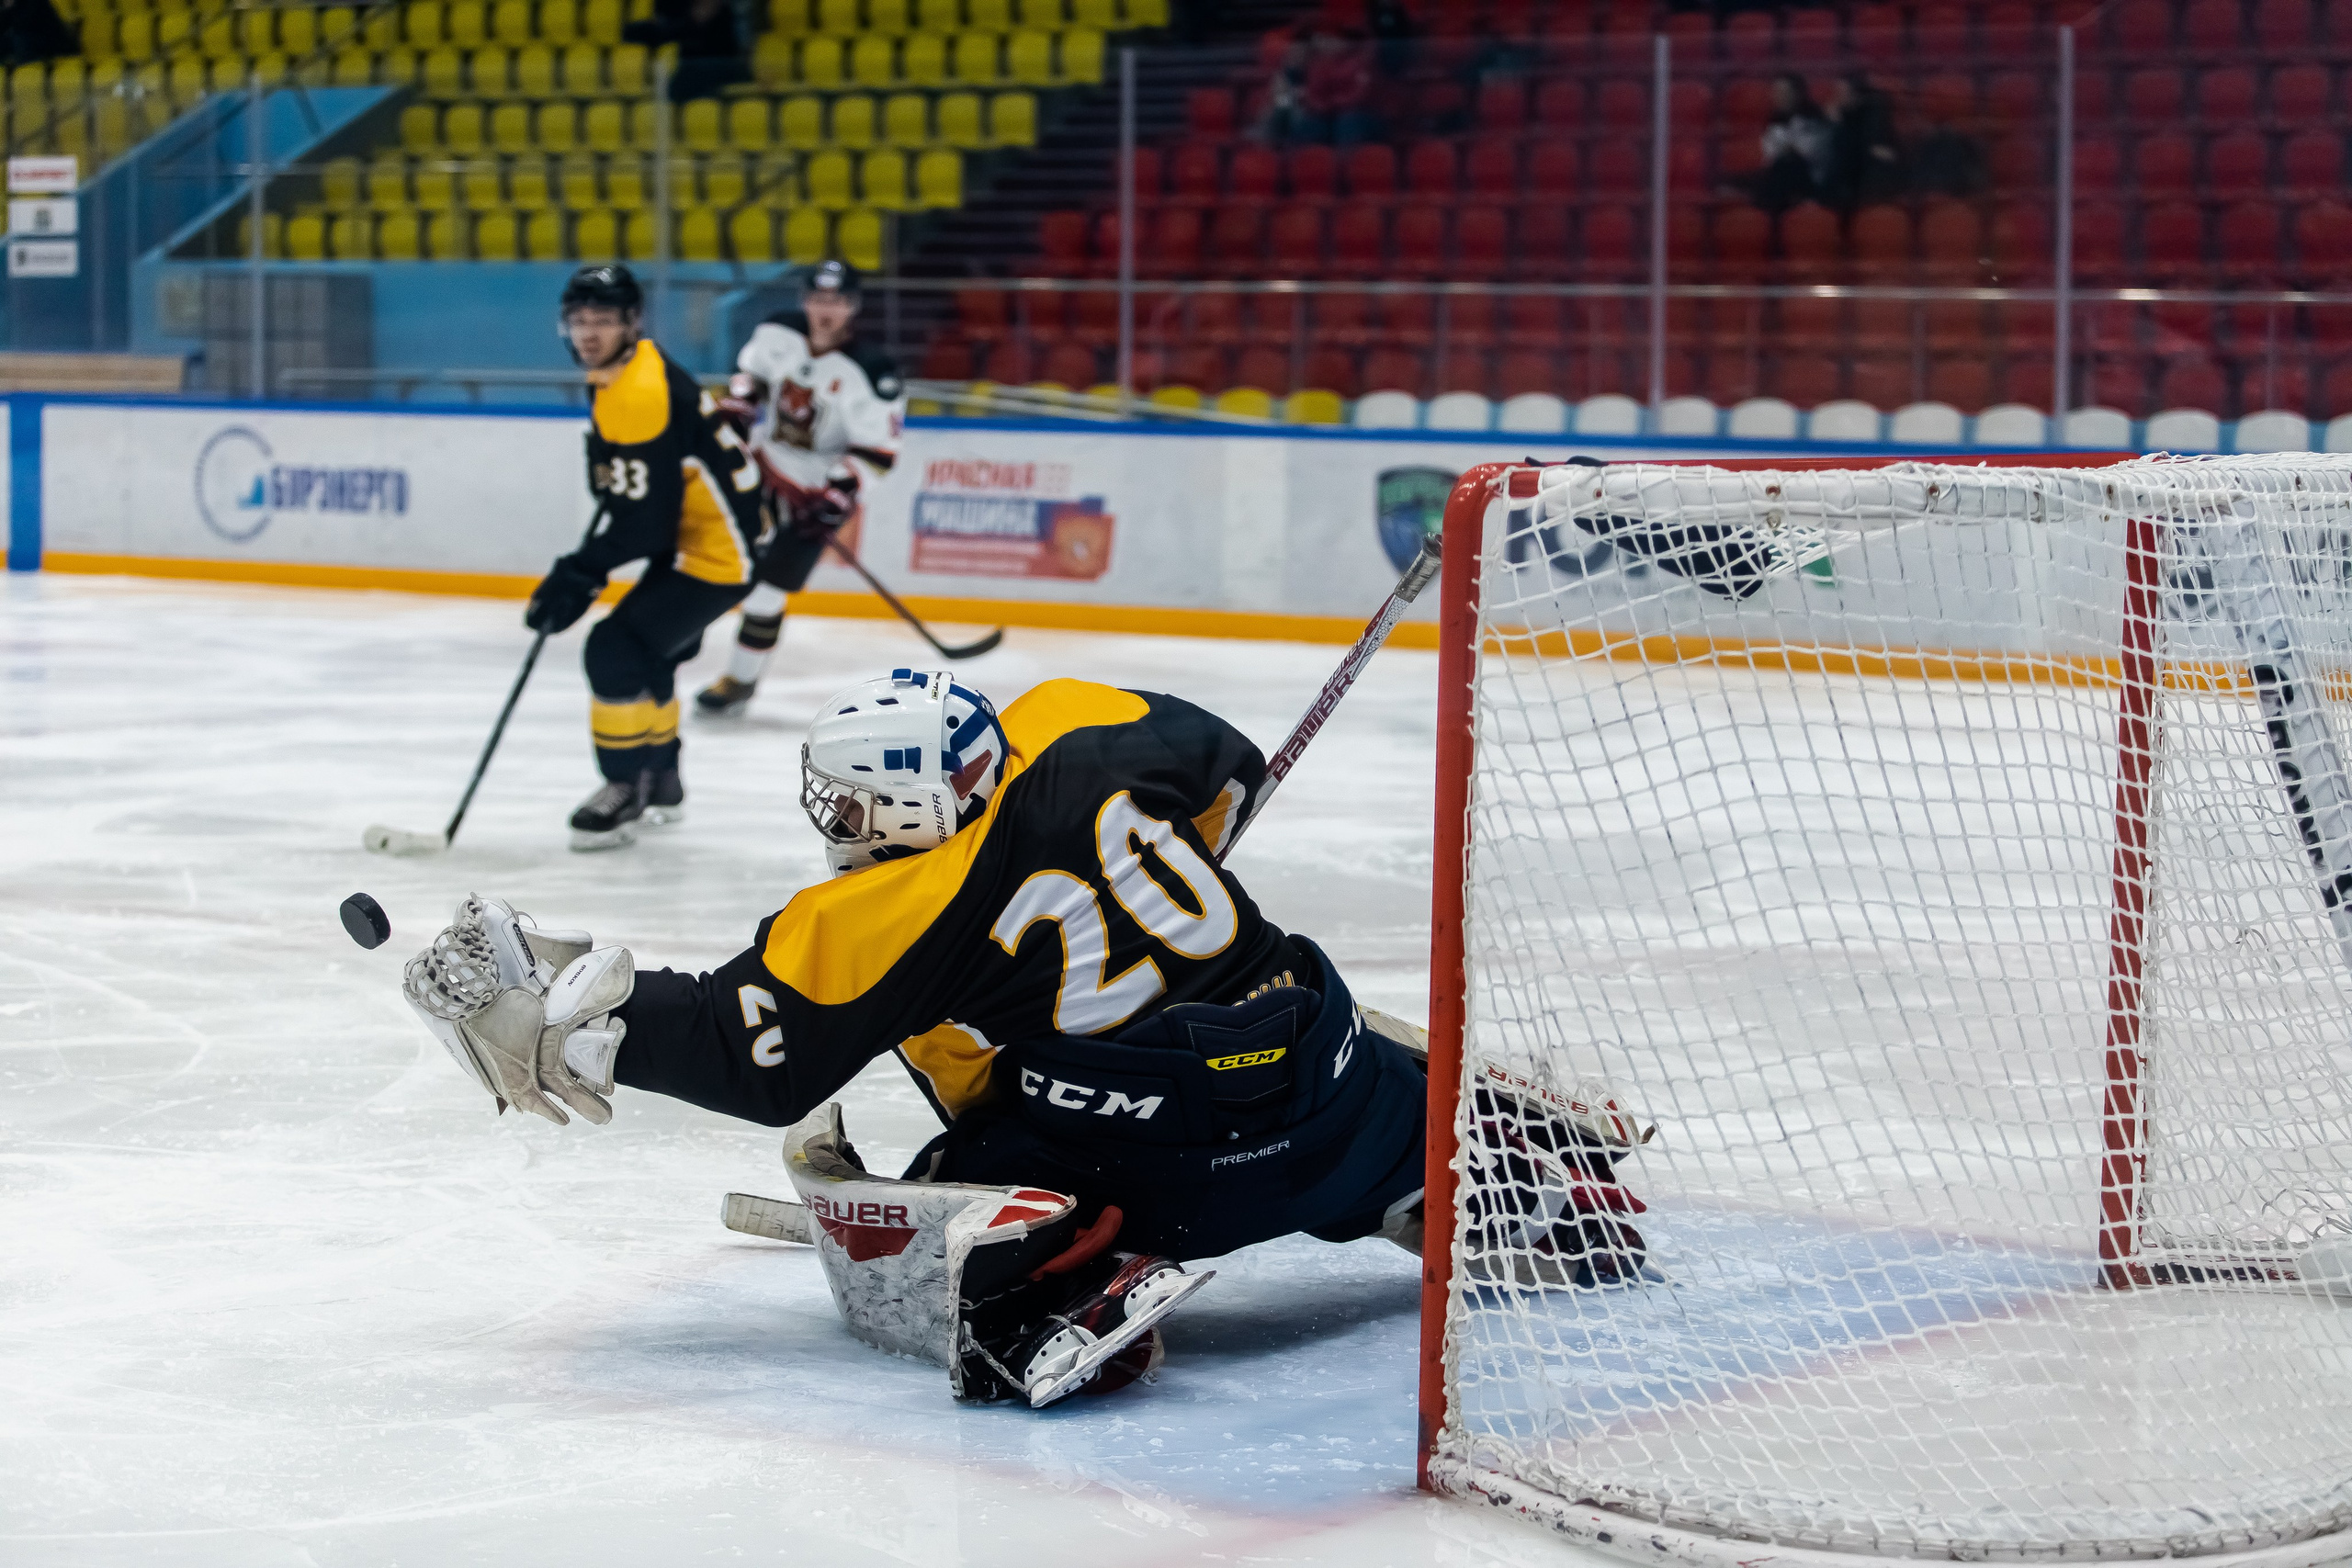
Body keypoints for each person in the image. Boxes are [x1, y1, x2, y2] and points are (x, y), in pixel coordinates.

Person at [397, 669, 1655, 1404]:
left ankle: (1058, 1278)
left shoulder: (883, 910)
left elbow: (746, 1055)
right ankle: (1496, 1173)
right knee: (1349, 1070)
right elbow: (1228, 777)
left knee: (950, 1188)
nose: (835, 824)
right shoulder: (1075, 717)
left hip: (1157, 1164)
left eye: (851, 805)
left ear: (904, 807)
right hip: (1324, 1083)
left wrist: (570, 1022)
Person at [524, 263, 770, 852]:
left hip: (718, 553)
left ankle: (623, 787)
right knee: (648, 651)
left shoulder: (639, 392)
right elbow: (646, 504)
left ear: (632, 322)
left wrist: (582, 570)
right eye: (579, 320)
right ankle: (659, 781)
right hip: (707, 539)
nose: (589, 333)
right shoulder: (628, 370)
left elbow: (648, 525)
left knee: (613, 650)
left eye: (604, 320)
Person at [695, 259, 905, 720]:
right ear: (805, 301)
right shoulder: (778, 332)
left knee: (767, 594)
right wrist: (742, 401)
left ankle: (740, 681)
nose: (825, 310)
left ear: (852, 306)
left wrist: (838, 495)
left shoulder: (872, 371)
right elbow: (750, 374)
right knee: (712, 559)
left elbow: (879, 451)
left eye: (836, 301)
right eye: (818, 299)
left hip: (816, 496)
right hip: (761, 470)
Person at [1742, 73, 1833, 214]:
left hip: (1811, 178)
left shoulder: (1814, 118)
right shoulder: (1775, 121)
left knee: (1787, 164)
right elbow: (1770, 153)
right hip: (1781, 176)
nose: (1779, 97)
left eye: (1784, 92)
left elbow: (1809, 152)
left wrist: (1788, 148)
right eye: (1776, 92)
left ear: (1797, 94)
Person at [623, 0, 747, 102]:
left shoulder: (721, 9)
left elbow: (694, 24)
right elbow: (664, 31)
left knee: (684, 78)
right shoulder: (677, 8)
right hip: (692, 65)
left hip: (724, 63)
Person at [1826, 71, 1905, 211]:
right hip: (1849, 177)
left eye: (1841, 93)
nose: (1837, 98)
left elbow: (1871, 148)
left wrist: (1839, 125)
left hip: (1868, 176)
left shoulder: (1874, 114)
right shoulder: (1839, 118)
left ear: (1856, 95)